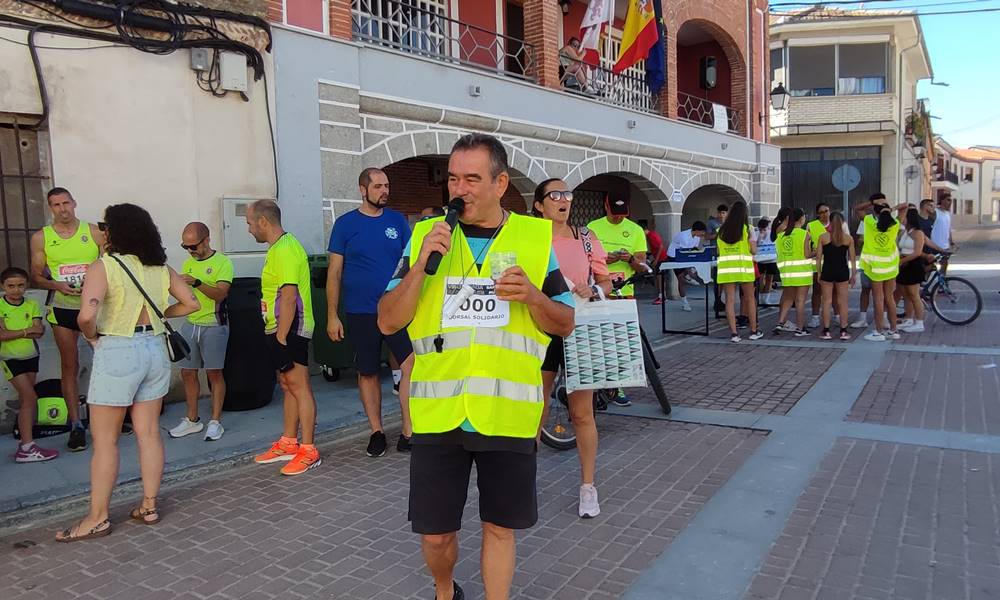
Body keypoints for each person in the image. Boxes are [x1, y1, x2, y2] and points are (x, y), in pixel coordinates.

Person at [378, 134, 575, 600]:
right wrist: (419, 266)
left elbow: (565, 323)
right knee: (435, 535)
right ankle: (446, 591)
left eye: (471, 178)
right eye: (452, 178)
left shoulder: (532, 239)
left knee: (499, 528)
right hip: (438, 412)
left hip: (506, 413)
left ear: (500, 183)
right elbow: (388, 319)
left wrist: (533, 295)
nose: (458, 189)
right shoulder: (426, 237)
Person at [55, 204, 199, 542]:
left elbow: (86, 316)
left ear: (114, 231)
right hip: (155, 350)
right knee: (149, 433)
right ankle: (149, 505)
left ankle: (98, 517)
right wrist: (161, 312)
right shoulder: (159, 267)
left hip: (117, 349)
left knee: (106, 441)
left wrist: (92, 339)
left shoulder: (104, 266)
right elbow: (191, 303)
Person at [533, 178, 611, 519]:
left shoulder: (587, 239)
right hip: (540, 327)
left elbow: (605, 281)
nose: (563, 200)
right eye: (554, 195)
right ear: (539, 205)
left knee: (582, 413)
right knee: (534, 407)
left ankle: (588, 487)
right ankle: (522, 481)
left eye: (567, 194)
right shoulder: (530, 239)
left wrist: (593, 290)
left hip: (580, 328)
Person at [327, 167, 415, 456]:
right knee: (367, 372)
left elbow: (411, 264)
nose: (384, 191)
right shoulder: (345, 225)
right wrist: (332, 315)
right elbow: (334, 273)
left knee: (410, 365)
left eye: (386, 185)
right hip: (361, 312)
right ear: (363, 190)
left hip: (397, 309)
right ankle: (376, 431)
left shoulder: (398, 222)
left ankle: (409, 432)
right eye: (377, 186)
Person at [248, 200, 322, 476]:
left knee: (299, 384)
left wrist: (280, 338)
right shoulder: (277, 249)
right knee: (287, 382)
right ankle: (289, 442)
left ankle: (309, 449)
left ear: (263, 222)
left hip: (291, 327)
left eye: (249, 223)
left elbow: (289, 296)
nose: (249, 229)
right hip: (278, 327)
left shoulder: (288, 250)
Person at [29, 187, 103, 452]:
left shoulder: (94, 232)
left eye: (66, 203)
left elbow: (111, 265)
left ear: (74, 203)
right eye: (56, 205)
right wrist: (57, 285)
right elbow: (36, 276)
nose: (62, 209)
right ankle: (76, 425)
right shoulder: (42, 238)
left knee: (106, 363)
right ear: (51, 208)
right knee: (69, 366)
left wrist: (94, 283)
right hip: (62, 308)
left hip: (94, 309)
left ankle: (109, 418)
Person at [168, 223, 233, 441]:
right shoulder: (188, 262)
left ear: (206, 240)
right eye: (186, 247)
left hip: (214, 325)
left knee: (214, 373)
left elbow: (220, 294)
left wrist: (196, 282)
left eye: (194, 246)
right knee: (187, 372)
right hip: (191, 323)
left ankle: (215, 421)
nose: (190, 251)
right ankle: (192, 419)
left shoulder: (223, 262)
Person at [587, 196, 646, 407]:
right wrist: (604, 259)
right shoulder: (592, 228)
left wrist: (629, 259)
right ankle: (596, 388)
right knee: (599, 342)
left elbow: (642, 266)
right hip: (600, 292)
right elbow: (584, 259)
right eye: (614, 212)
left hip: (624, 293)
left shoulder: (636, 231)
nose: (618, 216)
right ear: (605, 206)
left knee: (622, 342)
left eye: (622, 213)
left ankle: (617, 387)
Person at [1, 267, 58, 463]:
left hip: (31, 356)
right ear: (3, 287)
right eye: (10, 286)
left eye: (20, 285)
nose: (16, 290)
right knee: (30, 397)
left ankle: (26, 445)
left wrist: (16, 332)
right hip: (11, 359)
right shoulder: (0, 305)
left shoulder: (32, 304)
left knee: (27, 401)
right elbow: (2, 336)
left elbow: (39, 331)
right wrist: (27, 331)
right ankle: (27, 446)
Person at [716, 201, 762, 342]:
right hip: (744, 269)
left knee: (729, 300)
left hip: (726, 269)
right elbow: (753, 250)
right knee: (749, 298)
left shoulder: (721, 230)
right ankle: (753, 331)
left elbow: (718, 251)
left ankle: (734, 334)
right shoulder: (748, 229)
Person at [860, 199, 902, 342]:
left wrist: (872, 201)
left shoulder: (870, 223)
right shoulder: (895, 224)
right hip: (890, 267)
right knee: (889, 298)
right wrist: (890, 208)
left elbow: (857, 209)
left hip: (876, 268)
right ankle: (894, 330)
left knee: (878, 299)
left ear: (875, 213)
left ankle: (878, 331)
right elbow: (906, 206)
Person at [816, 212, 856, 341]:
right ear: (842, 223)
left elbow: (818, 258)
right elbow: (852, 259)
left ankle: (826, 330)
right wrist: (853, 274)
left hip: (827, 270)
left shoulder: (823, 237)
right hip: (842, 271)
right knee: (842, 302)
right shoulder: (848, 238)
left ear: (830, 222)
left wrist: (819, 272)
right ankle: (843, 330)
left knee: (826, 302)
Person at [849, 193, 886, 330]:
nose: (881, 206)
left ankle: (885, 318)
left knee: (885, 293)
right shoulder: (868, 220)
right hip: (868, 262)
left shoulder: (891, 219)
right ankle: (863, 318)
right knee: (865, 289)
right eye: (879, 204)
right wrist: (872, 203)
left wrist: (888, 208)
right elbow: (857, 209)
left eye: (883, 203)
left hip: (884, 264)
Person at [774, 208, 813, 336]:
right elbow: (807, 254)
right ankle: (800, 328)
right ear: (801, 218)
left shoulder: (781, 235)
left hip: (786, 272)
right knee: (800, 300)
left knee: (788, 298)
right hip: (801, 272)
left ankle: (780, 322)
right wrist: (817, 251)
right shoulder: (804, 234)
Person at [896, 208, 927, 333]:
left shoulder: (918, 233)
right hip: (903, 263)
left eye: (904, 217)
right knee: (905, 294)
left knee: (914, 294)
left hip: (913, 264)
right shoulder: (904, 232)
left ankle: (919, 322)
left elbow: (918, 252)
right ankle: (908, 318)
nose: (902, 219)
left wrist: (903, 261)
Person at [665, 221, 707, 312]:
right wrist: (689, 269)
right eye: (702, 231)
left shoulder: (697, 238)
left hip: (685, 256)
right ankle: (685, 302)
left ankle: (688, 276)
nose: (703, 234)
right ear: (696, 230)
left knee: (690, 273)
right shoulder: (683, 236)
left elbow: (693, 251)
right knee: (681, 279)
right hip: (674, 257)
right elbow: (684, 253)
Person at [806, 203, 833, 329]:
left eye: (826, 211)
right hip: (818, 263)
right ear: (817, 214)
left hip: (834, 263)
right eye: (821, 212)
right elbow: (807, 244)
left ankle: (838, 316)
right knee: (817, 291)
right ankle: (815, 317)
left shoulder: (836, 223)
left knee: (836, 292)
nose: (824, 214)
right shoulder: (811, 226)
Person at [705, 204, 728, 312]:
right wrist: (717, 234)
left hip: (727, 253)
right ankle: (717, 300)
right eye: (719, 213)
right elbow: (707, 236)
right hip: (716, 253)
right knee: (717, 279)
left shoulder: (729, 223)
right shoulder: (712, 223)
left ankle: (721, 300)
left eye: (723, 213)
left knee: (724, 279)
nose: (721, 215)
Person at [643, 221, 667, 305]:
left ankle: (662, 297)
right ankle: (661, 295)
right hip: (658, 258)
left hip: (661, 259)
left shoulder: (652, 235)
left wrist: (656, 260)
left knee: (660, 278)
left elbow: (660, 246)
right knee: (657, 278)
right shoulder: (649, 236)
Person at [931, 195, 955, 274]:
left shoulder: (948, 214)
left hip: (945, 246)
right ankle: (922, 284)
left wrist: (951, 242)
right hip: (935, 245)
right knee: (930, 266)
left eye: (951, 200)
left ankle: (942, 283)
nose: (950, 202)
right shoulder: (935, 212)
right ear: (942, 200)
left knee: (944, 264)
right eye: (948, 200)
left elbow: (948, 229)